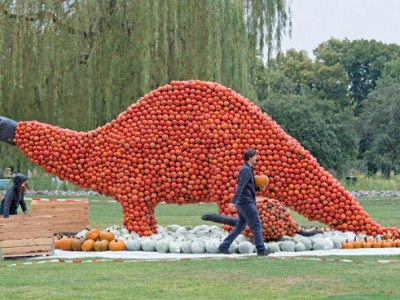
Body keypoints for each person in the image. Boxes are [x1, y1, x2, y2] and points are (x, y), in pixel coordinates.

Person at [218, 149, 273, 256]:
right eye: (255, 156)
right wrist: (233, 201)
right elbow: (240, 186)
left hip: (244, 201)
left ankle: (224, 246)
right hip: (245, 202)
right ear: (250, 157)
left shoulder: (249, 169)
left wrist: (258, 189)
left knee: (240, 225)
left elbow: (248, 187)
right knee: (256, 225)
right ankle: (261, 249)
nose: (256, 158)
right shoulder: (245, 170)